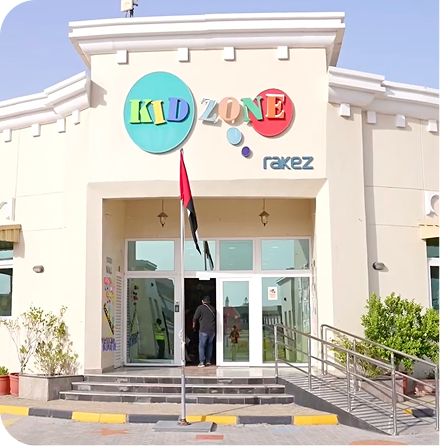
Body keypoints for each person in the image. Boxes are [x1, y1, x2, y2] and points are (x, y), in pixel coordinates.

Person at [193, 296, 216, 367]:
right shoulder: (213, 309)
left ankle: (202, 362)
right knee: (209, 345)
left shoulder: (200, 308)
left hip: (203, 330)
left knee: (202, 346)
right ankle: (208, 361)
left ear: (202, 301)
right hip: (212, 330)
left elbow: (195, 318)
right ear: (209, 302)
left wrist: (193, 326)